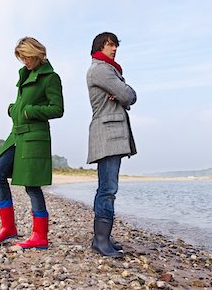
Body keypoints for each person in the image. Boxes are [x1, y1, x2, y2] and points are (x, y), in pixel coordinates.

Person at [0, 37, 64, 249]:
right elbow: (23, 103)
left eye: (28, 57)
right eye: (22, 58)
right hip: (16, 136)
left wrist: (29, 111)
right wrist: (14, 108)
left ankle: (40, 236)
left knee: (32, 186)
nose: (25, 62)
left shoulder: (51, 78)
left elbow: (57, 109)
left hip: (34, 138)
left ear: (38, 53)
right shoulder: (25, 75)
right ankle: (8, 228)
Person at [86, 32, 137, 257]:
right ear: (99, 47)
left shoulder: (108, 70)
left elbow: (124, 95)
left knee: (107, 188)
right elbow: (128, 95)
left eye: (116, 45)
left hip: (109, 134)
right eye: (109, 45)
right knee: (108, 189)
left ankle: (103, 237)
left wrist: (121, 93)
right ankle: (100, 240)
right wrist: (122, 92)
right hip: (107, 134)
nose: (114, 49)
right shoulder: (101, 70)